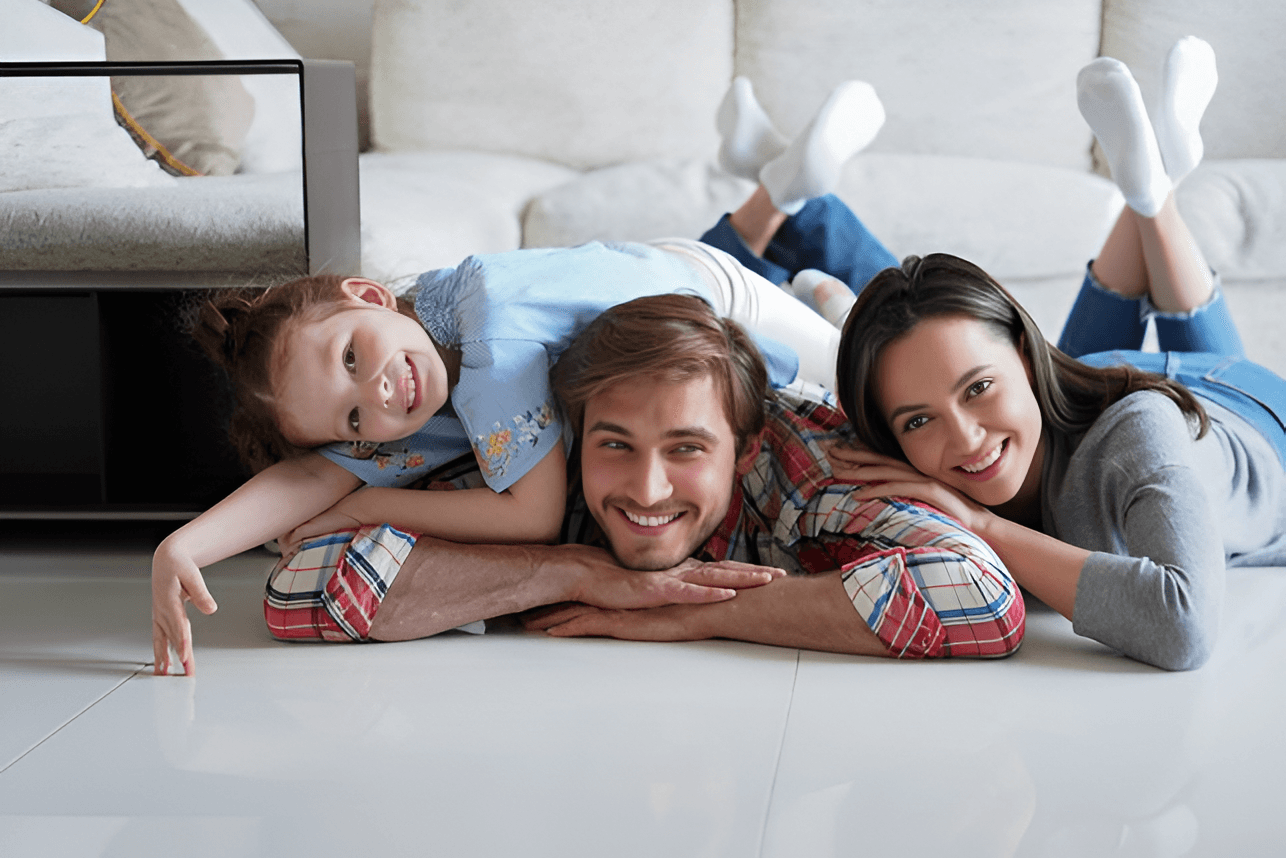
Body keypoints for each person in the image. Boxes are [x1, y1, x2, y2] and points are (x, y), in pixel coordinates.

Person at [152, 78, 901, 675]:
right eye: (351, 419)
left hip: (709, 295)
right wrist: (183, 547)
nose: (376, 396)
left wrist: (367, 507)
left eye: (353, 358)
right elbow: (312, 478)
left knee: (874, 379)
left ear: (370, 294)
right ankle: (774, 194)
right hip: (630, 285)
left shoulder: (490, 344)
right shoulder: (409, 368)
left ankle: (819, 264)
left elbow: (531, 518)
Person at [828, 38, 1286, 671]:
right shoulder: (948, 450)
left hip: (1252, 413)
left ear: (1024, 351)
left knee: (1105, 411)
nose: (964, 439)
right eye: (917, 419)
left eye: (977, 388)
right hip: (1101, 380)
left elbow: (1183, 628)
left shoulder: (1136, 436)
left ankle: (1154, 195)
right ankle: (1151, 189)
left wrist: (983, 527)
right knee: (1064, 390)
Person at [268, 294, 1025, 659]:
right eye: (616, 444)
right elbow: (300, 586)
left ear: (746, 448)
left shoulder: (813, 468)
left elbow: (986, 602)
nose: (647, 490)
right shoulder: (536, 460)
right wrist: (571, 573)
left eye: (688, 449)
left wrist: (693, 611)